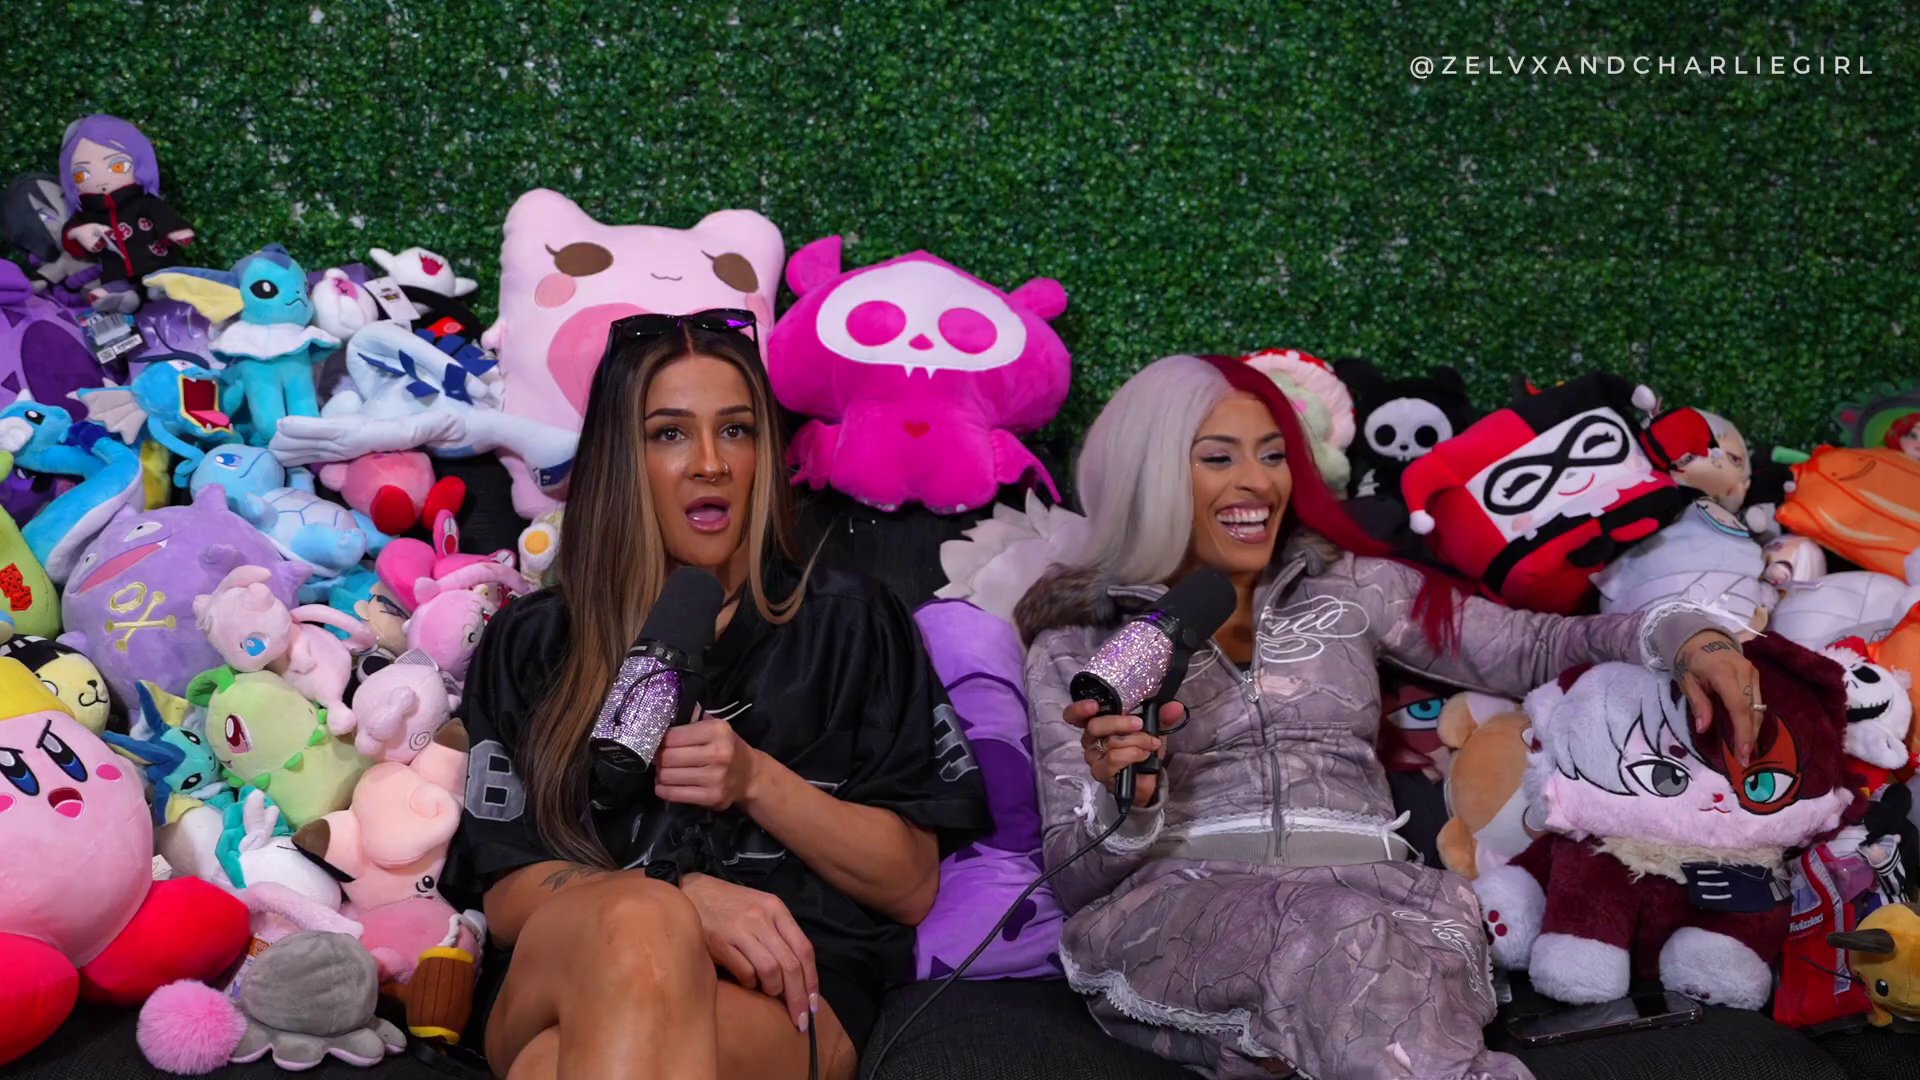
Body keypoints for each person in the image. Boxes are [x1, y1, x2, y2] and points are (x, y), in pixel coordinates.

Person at [1014, 354, 1768, 1079]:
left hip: (1388, 906)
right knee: (1339, 947)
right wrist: (1128, 801)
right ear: (1149, 475)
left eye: (1273, 455)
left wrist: (1687, 636)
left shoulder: (1353, 588)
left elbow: (1537, 645)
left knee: (1366, 967)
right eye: (1219, 458)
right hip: (1184, 915)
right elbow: (1074, 878)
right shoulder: (1083, 642)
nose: (1259, 483)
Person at [457, 310, 992, 1080]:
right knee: (642, 922)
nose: (710, 462)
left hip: (790, 993)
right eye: (670, 433)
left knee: (554, 1067)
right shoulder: (533, 640)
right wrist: (676, 903)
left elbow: (909, 885)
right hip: (567, 965)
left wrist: (755, 779)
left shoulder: (851, 623)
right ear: (620, 459)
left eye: (736, 431)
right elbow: (510, 892)